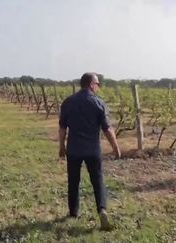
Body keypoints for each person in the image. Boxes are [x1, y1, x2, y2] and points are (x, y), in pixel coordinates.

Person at [58, 72, 121, 231]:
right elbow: (107, 129)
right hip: (92, 150)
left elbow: (62, 128)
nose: (98, 87)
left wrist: (61, 146)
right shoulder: (99, 103)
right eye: (98, 84)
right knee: (97, 181)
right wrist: (115, 146)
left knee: (73, 181)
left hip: (74, 149)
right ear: (92, 84)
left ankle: (73, 213)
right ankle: (102, 210)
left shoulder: (68, 102)